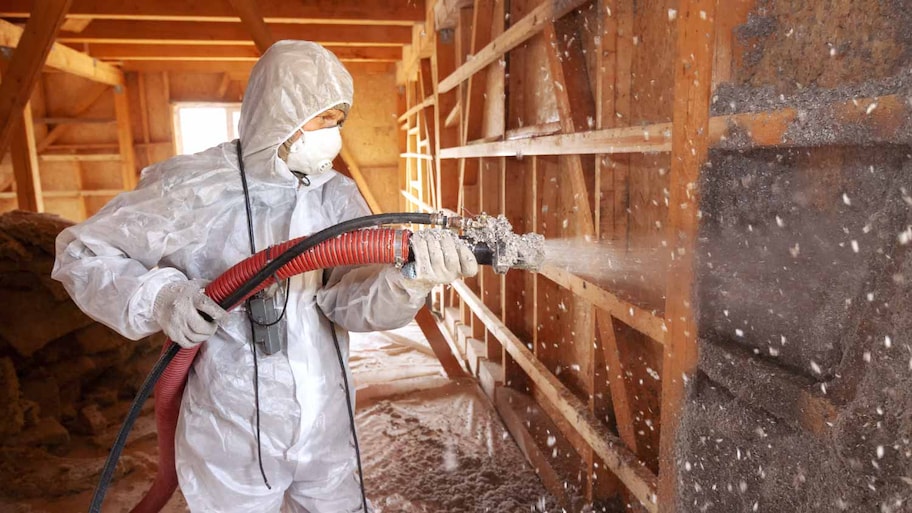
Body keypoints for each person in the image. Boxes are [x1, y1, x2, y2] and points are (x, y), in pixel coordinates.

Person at [52, 40, 477, 512]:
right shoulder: (196, 186)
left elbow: (347, 302)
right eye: (322, 120)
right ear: (281, 115)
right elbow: (83, 253)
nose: (333, 135)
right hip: (230, 428)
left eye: (339, 122)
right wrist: (163, 297)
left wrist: (408, 281)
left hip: (326, 426)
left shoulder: (334, 196)